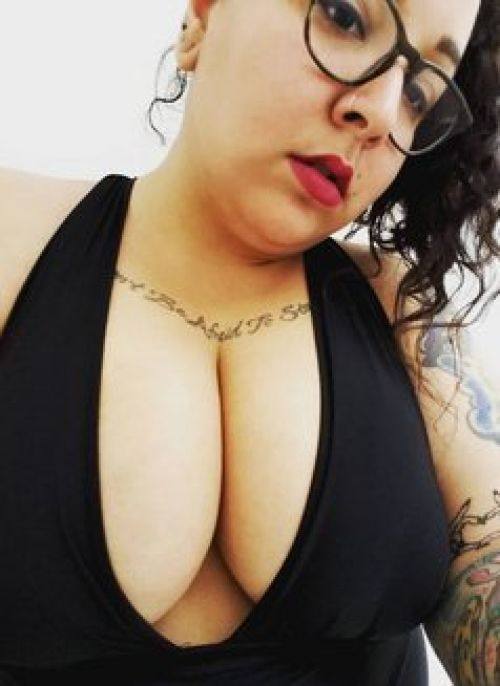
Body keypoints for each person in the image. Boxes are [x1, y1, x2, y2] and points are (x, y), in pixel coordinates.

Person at [0, 0, 498, 684]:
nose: (383, 113)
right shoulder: (11, 241)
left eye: (420, 91)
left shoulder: (404, 316)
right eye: (346, 17)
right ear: (203, 15)